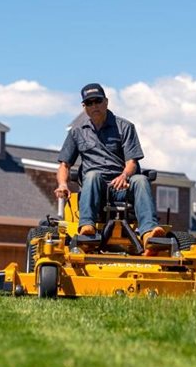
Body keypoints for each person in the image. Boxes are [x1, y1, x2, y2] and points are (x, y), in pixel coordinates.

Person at [54, 83, 165, 254]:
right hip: (96, 189)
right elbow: (64, 164)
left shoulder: (125, 127)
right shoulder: (77, 132)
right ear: (84, 107)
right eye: (89, 103)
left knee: (141, 179)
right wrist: (62, 184)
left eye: (97, 101)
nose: (94, 106)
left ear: (106, 102)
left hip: (123, 187)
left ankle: (149, 234)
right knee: (91, 176)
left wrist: (124, 176)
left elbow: (132, 163)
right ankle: (87, 228)